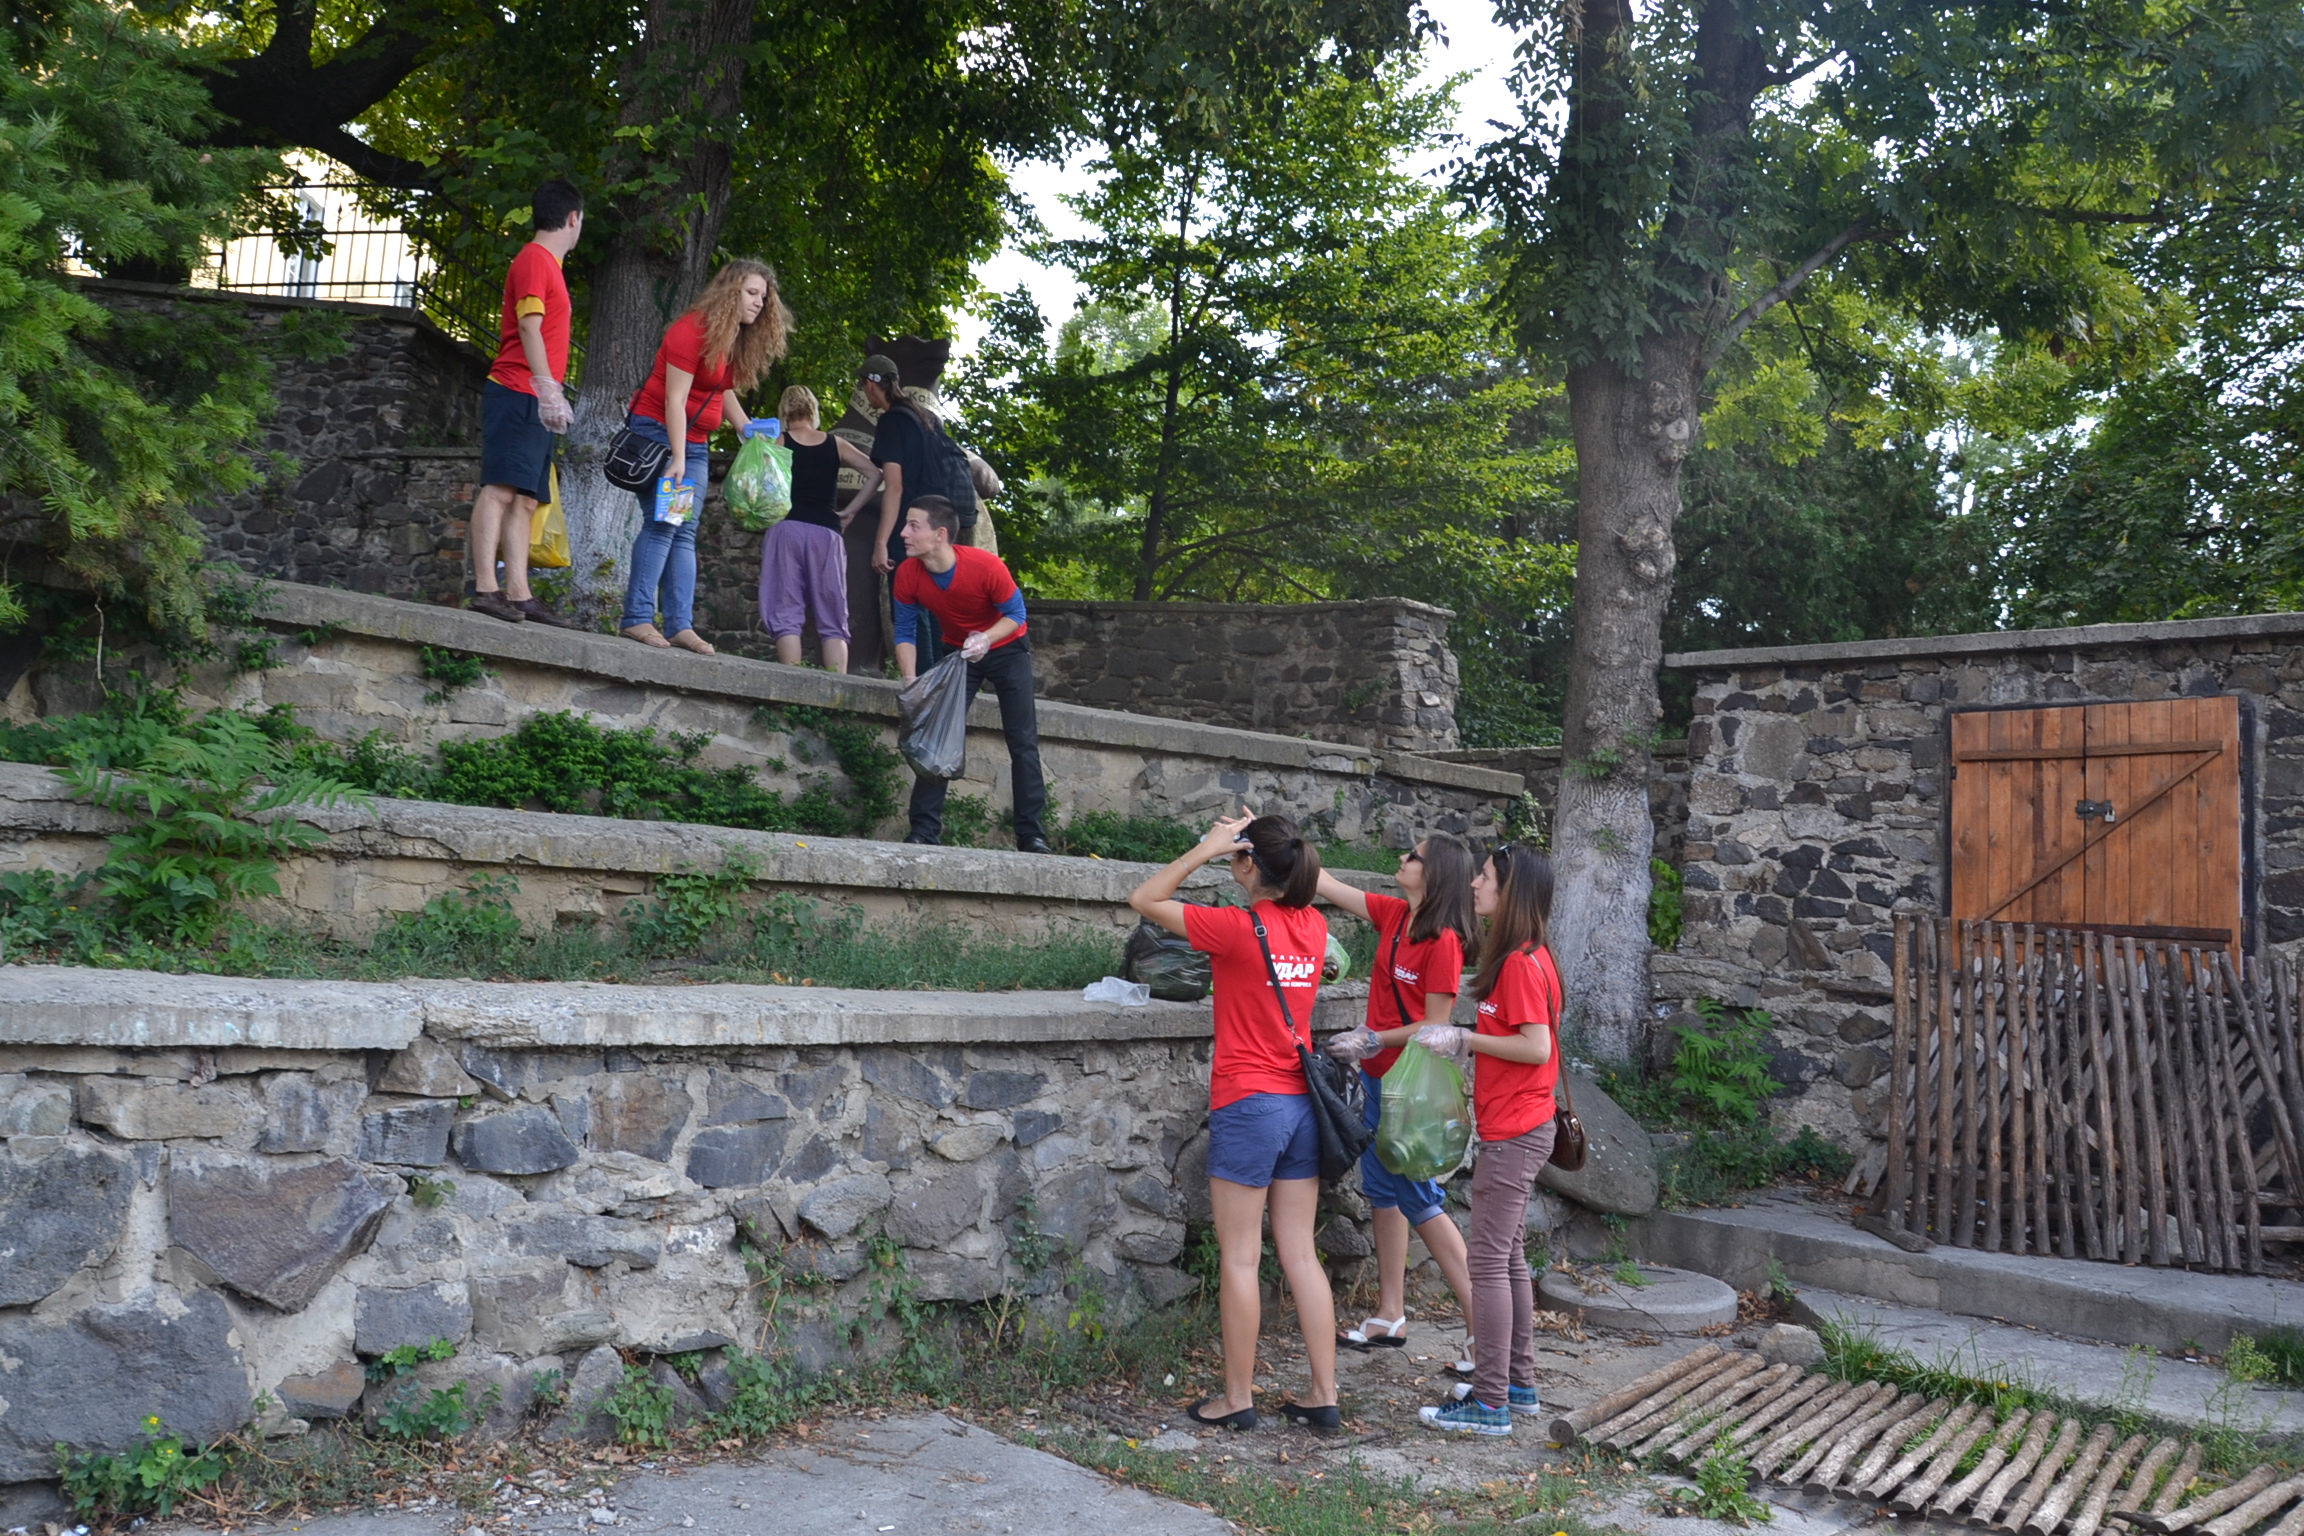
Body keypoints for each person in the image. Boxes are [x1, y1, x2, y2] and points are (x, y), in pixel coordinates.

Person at [1128, 810, 1341, 1433]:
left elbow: (1144, 898)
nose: (1230, 861)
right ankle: (1323, 1394)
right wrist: (1263, 843)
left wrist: (1203, 848)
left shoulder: (1236, 928)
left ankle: (1237, 1399)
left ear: (1251, 866)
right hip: (1304, 1104)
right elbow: (1292, 876)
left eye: (1238, 856)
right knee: (1301, 1254)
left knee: (1242, 1260)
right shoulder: (1314, 926)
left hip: (1249, 1103)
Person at [1410, 842, 1561, 1436]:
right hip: (1523, 1125)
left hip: (1516, 1130)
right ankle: (1516, 1386)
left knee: (1489, 1263)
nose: (1475, 884)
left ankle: (1491, 1402)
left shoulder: (1523, 963)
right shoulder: (1530, 956)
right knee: (1510, 1258)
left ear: (1511, 890)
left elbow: (1536, 1048)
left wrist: (1464, 1040)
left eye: (1486, 877)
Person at [1317, 834, 1481, 1367]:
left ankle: (1485, 1333)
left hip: (1411, 1090)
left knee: (1420, 1200)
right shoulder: (1393, 916)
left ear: (1434, 875)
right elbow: (1325, 883)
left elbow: (1435, 1027)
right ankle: (1390, 1313)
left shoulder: (1445, 942)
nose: (1403, 858)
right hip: (1378, 1080)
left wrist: (1372, 1037)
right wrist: (1268, 839)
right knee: (1383, 1194)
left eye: (1413, 856)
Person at [618, 259, 791, 654]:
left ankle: (680, 625)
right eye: (751, 293)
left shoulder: (728, 336)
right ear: (730, 292)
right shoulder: (689, 331)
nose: (759, 303)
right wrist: (677, 458)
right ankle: (637, 618)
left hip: (694, 442)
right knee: (664, 523)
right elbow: (674, 401)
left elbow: (718, 389)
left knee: (684, 529)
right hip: (660, 437)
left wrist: (746, 429)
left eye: (763, 297)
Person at [890, 495, 1050, 853]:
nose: (903, 533)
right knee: (936, 736)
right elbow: (904, 630)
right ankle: (924, 832)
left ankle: (1031, 835)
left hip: (1007, 648)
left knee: (1022, 742)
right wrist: (910, 680)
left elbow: (1017, 615)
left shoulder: (985, 566)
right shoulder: (908, 573)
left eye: (913, 525)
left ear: (940, 534)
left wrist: (985, 638)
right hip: (958, 654)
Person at [469, 178, 584, 628]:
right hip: (519, 390)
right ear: (573, 218)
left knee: (526, 500)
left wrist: (547, 390)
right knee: (500, 490)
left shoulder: (547, 264)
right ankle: (485, 587)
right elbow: (530, 326)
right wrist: (546, 386)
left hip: (531, 395)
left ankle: (518, 592)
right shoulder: (536, 260)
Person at [761, 385, 879, 673]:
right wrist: (851, 511)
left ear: (785, 412)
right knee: (833, 613)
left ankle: (792, 688)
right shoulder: (836, 444)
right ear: (813, 410)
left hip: (786, 528)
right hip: (826, 532)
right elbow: (875, 473)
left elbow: (763, 486)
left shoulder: (779, 441)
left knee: (786, 610)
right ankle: (836, 693)